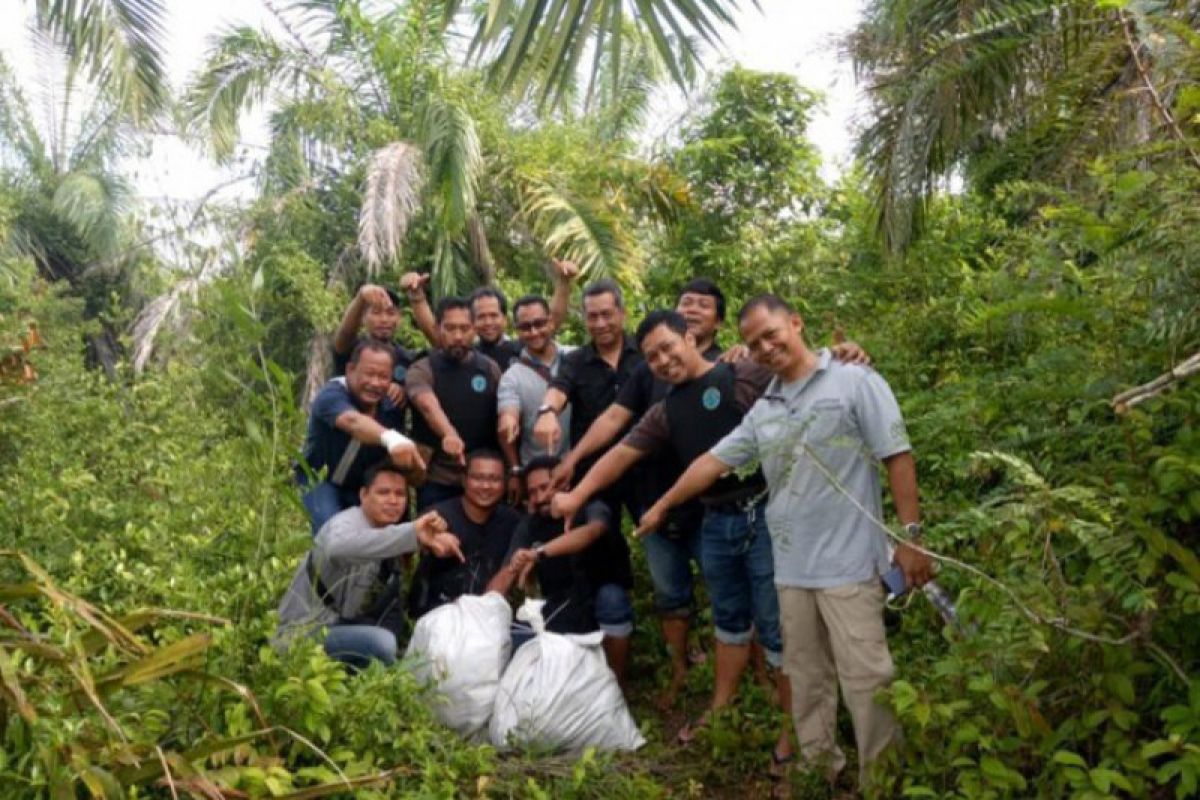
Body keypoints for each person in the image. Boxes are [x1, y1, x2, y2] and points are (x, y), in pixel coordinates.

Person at [637, 294, 935, 790]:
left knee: (868, 679)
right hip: (792, 569)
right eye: (754, 343)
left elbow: (897, 455)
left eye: (772, 333)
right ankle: (819, 769)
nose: (766, 347)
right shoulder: (766, 408)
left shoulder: (854, 380)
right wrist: (664, 503)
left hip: (850, 566)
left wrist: (911, 539)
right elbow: (712, 462)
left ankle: (882, 780)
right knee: (806, 678)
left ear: (796, 323)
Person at [551, 310, 792, 762]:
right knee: (729, 620)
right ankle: (720, 711)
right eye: (652, 357)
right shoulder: (666, 411)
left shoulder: (743, 373)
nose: (663, 360)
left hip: (766, 516)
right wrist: (575, 493)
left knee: (777, 623)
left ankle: (790, 729)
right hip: (716, 520)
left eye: (668, 347)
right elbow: (621, 453)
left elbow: (800, 369)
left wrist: (843, 357)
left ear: (691, 337)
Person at [275, 463, 464, 668]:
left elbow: (392, 608)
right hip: (304, 632)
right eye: (383, 492)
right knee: (381, 643)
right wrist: (411, 533)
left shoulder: (388, 534)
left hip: (345, 627)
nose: (393, 501)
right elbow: (337, 548)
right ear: (364, 495)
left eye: (400, 494)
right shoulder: (345, 523)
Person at [486, 455, 633, 682]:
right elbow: (509, 569)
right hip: (560, 606)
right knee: (516, 640)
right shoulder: (530, 524)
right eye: (532, 492)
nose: (539, 497)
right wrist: (481, 607)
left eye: (545, 487)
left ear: (564, 483)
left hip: (598, 601)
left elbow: (591, 532)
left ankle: (616, 683)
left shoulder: (592, 506)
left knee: (612, 599)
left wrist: (539, 553)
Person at [298, 340, 425, 534]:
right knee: (333, 532)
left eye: (383, 376)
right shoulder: (332, 394)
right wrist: (392, 439)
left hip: (361, 486)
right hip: (319, 479)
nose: (375, 383)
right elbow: (353, 422)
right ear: (350, 369)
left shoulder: (391, 406)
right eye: (369, 374)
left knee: (383, 531)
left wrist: (415, 466)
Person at [406, 298, 502, 510]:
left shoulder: (489, 369)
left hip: (482, 480)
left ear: (474, 329)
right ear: (438, 329)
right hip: (437, 480)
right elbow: (427, 405)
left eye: (464, 328)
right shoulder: (421, 369)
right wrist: (448, 433)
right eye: (450, 328)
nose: (458, 336)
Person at [408, 450, 524, 619]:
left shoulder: (513, 521)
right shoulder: (437, 515)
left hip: (491, 616)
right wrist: (431, 541)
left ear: (505, 483)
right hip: (438, 615)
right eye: (478, 478)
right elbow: (409, 541)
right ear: (464, 480)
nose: (485, 486)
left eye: (494, 479)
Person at [400, 260, 579, 369]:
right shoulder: (467, 351)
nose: (488, 322)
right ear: (472, 321)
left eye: (494, 316)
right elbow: (437, 337)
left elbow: (551, 322)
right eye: (481, 316)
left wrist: (564, 282)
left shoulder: (523, 348)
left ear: (505, 319)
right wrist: (417, 297)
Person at [495, 294, 574, 503]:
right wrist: (508, 423)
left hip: (577, 464)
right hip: (536, 474)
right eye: (525, 327)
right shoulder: (512, 376)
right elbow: (507, 412)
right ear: (516, 330)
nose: (533, 332)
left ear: (550, 321)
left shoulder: (575, 358)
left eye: (539, 323)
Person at [331, 283, 420, 404]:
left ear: (398, 318)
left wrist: (404, 390)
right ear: (363, 317)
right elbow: (344, 336)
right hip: (349, 418)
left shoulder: (406, 358)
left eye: (390, 313)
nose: (384, 320)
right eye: (376, 312)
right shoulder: (352, 349)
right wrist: (361, 298)